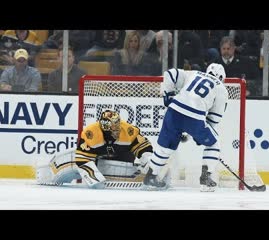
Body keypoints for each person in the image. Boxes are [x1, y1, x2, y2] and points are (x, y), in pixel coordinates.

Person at [143, 63, 228, 191]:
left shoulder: (193, 73)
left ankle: (150, 176)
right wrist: (198, 135)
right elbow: (213, 120)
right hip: (195, 117)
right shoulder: (221, 88)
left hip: (174, 110)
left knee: (166, 146)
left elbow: (170, 73)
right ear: (221, 77)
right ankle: (205, 178)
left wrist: (168, 95)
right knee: (214, 143)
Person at [36, 109, 160, 189]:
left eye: (118, 126)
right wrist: (95, 179)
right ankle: (46, 172)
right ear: (106, 128)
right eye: (114, 129)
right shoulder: (91, 133)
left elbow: (143, 146)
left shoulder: (127, 130)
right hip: (99, 158)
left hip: (122, 156)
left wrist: (148, 160)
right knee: (74, 159)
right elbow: (82, 158)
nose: (118, 130)